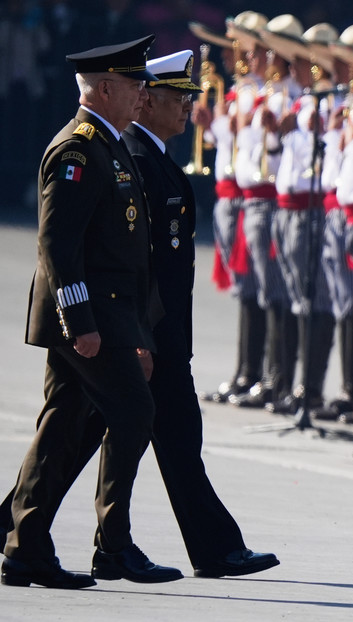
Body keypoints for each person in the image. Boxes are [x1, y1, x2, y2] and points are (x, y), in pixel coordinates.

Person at [1, 35, 181, 589]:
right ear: (105, 88)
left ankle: (24, 545)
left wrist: (137, 330)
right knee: (132, 413)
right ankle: (113, 545)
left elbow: (126, 255)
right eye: (133, 86)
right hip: (83, 320)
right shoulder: (78, 148)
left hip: (107, 320)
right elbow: (58, 246)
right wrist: (80, 324)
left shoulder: (111, 143)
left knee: (61, 428)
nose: (141, 96)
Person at [120, 49, 279, 577]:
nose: (188, 107)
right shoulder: (139, 160)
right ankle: (29, 529)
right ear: (146, 100)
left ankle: (209, 547)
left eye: (189, 97)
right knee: (87, 435)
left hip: (160, 333)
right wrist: (142, 333)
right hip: (148, 333)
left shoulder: (153, 156)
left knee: (163, 436)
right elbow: (136, 263)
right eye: (177, 98)